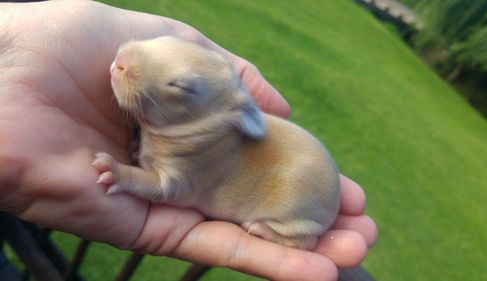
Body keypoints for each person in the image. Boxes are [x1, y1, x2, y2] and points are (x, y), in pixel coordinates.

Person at [0, 1, 377, 280]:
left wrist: (123, 174)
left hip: (295, 192)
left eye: (177, 86)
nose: (122, 60)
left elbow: (170, 186)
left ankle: (297, 236)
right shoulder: (189, 124)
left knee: (295, 195)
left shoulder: (208, 141)